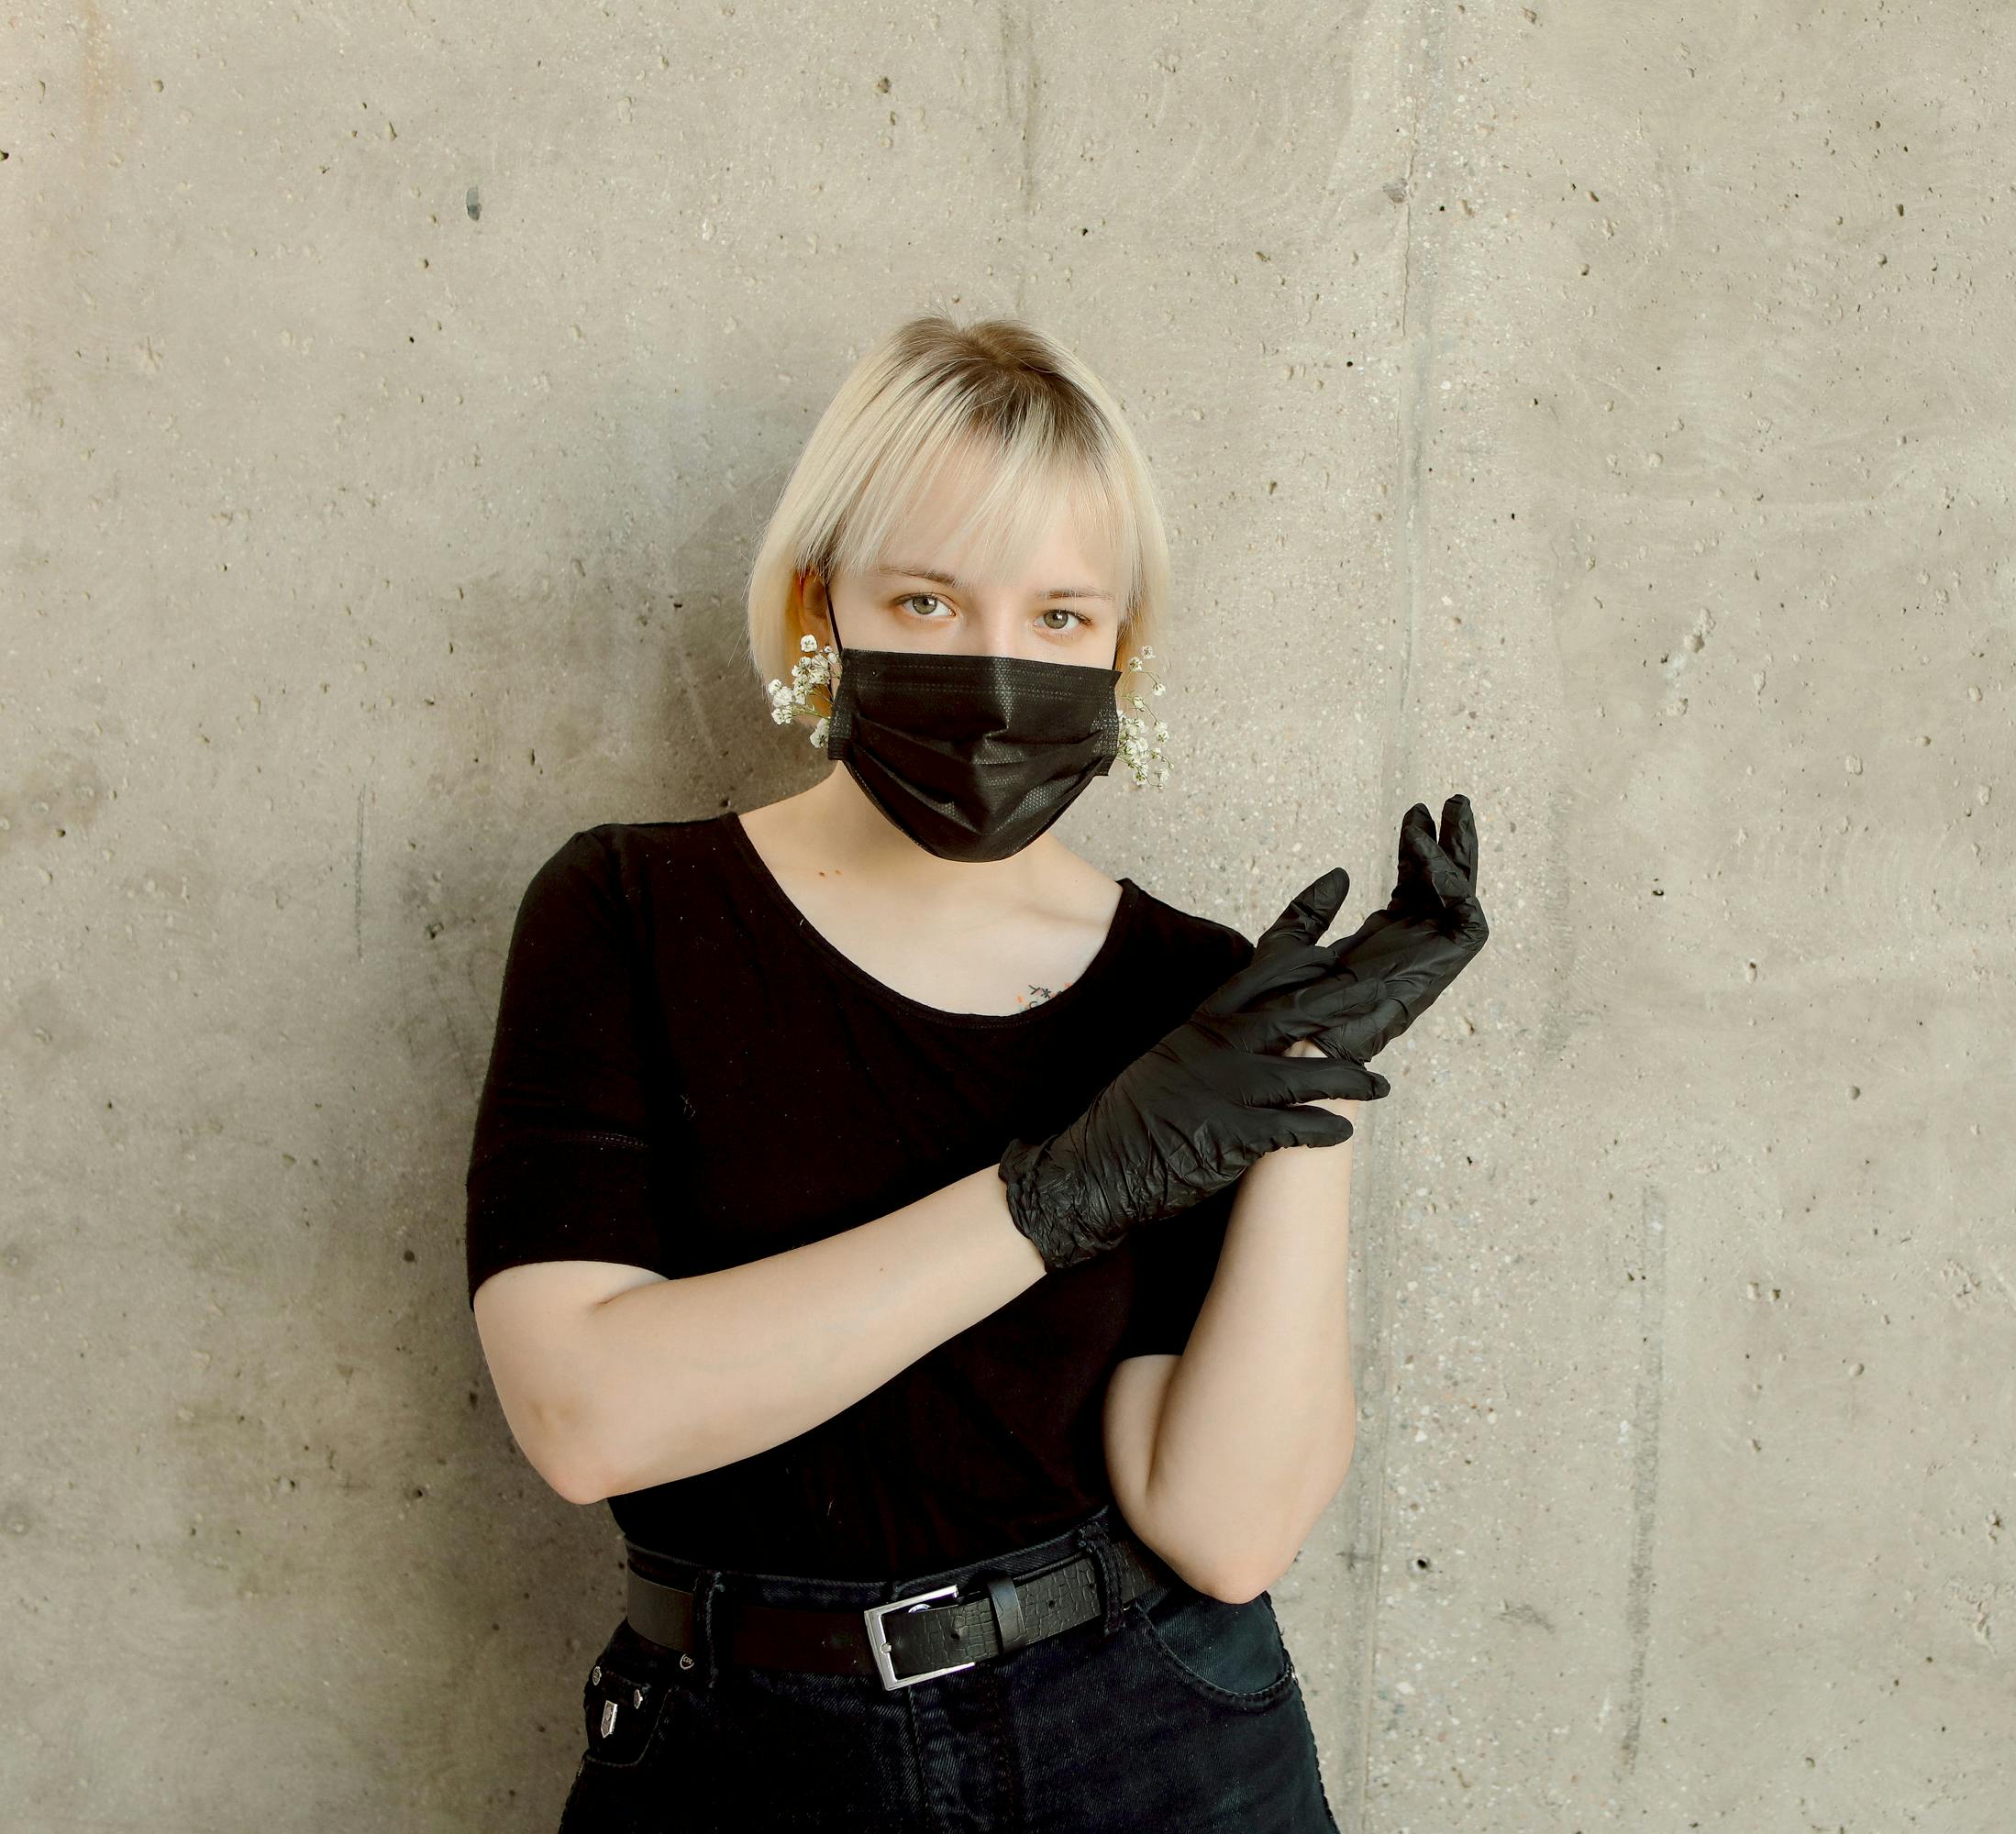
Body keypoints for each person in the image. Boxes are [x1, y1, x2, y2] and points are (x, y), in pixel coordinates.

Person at [462, 314, 1490, 1831]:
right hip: (742, 1759)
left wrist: (1305, 1093)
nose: (999, 672)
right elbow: (587, 1414)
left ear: (1124, 651)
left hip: (1152, 1741)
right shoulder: (627, 913)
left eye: (1063, 618)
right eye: (929, 599)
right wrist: (1059, 1195)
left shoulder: (1192, 995)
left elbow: (1221, 1527)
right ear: (823, 606)